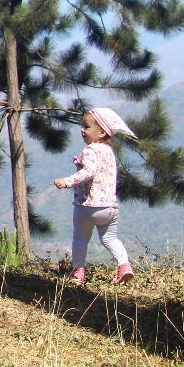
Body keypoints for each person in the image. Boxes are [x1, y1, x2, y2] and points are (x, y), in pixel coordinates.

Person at [53, 107, 136, 285]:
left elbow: (89, 171)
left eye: (87, 126)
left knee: (80, 238)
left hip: (87, 206)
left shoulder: (90, 150)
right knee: (110, 238)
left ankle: (78, 272)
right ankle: (124, 266)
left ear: (101, 132)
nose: (82, 130)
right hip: (109, 208)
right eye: (82, 126)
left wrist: (68, 181)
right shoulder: (110, 152)